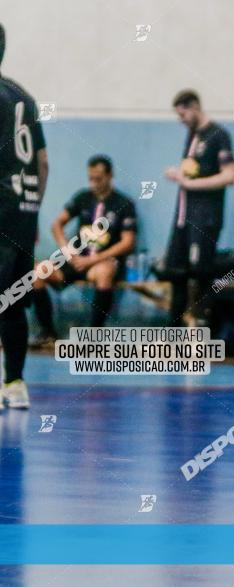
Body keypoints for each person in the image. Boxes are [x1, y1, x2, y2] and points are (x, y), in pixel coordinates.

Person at [29, 155, 137, 346]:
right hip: (77, 260)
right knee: (38, 271)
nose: (94, 183)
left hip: (101, 262)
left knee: (104, 272)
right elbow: (57, 225)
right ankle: (48, 332)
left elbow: (127, 243)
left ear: (110, 176)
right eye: (91, 178)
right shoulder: (83, 198)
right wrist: (68, 252)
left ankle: (94, 336)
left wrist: (93, 261)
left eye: (99, 178)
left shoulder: (124, 204)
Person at [0, 23, 49, 409]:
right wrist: (31, 211)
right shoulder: (24, 97)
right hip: (24, 214)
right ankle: (15, 384)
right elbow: (43, 163)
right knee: (13, 304)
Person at [163, 89, 234, 327]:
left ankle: (203, 328)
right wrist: (180, 175)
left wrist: (191, 183)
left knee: (200, 273)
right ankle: (174, 331)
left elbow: (229, 176)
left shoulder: (219, 135)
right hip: (184, 216)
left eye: (183, 114)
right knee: (176, 271)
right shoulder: (192, 136)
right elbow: (193, 170)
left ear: (194, 106)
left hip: (205, 218)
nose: (181, 120)